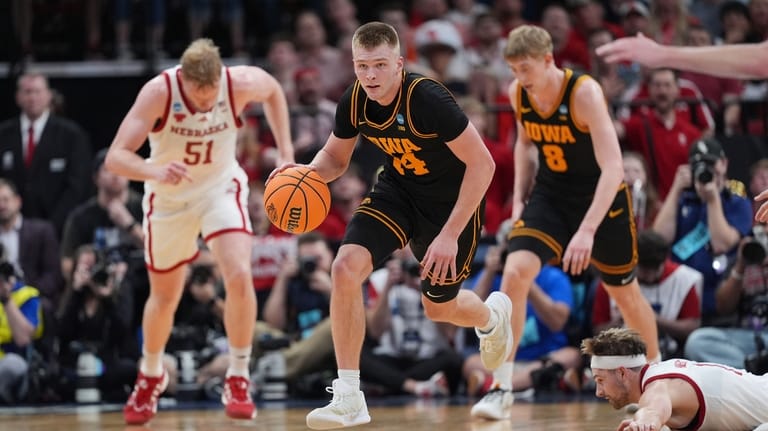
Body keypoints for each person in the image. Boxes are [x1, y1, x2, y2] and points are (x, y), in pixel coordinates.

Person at [270, 21, 498, 430]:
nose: (370, 75)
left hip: (449, 205)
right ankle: (349, 396)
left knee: (438, 307)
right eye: (362, 66)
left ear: (399, 63)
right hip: (397, 190)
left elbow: (483, 164)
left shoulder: (427, 98)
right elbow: (335, 160)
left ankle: (490, 319)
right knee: (344, 268)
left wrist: (448, 235)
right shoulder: (355, 99)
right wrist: (303, 173)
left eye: (379, 65)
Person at [470, 25, 661, 421]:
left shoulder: (584, 93)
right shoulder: (518, 92)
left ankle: (657, 378)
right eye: (513, 69)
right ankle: (501, 387)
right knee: (515, 271)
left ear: (548, 60)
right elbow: (524, 145)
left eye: (526, 68)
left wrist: (587, 230)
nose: (520, 77)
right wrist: (520, 199)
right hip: (552, 195)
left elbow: (613, 170)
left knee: (623, 292)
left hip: (601, 197)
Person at [104, 38, 294, 425]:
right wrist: (153, 170)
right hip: (169, 199)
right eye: (199, 95)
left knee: (239, 273)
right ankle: (151, 373)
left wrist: (287, 152)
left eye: (212, 95)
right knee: (165, 297)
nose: (207, 103)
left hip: (219, 189)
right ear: (184, 80)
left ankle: (238, 375)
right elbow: (116, 157)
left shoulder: (237, 82)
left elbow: (273, 90)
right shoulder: (159, 92)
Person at [595, 35, 768, 222]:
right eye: (657, 85)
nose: (662, 91)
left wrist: (662, 54)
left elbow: (760, 59)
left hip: (689, 203)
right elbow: (609, 131)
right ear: (650, 90)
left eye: (667, 85)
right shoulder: (640, 122)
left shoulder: (691, 131)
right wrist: (601, 101)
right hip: (655, 205)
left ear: (677, 89)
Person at [583, 327, 768, 431]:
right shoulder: (660, 376)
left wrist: (644, 424)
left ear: (622, 373)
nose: (599, 392)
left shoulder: (659, 386)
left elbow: (653, 411)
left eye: (600, 380)